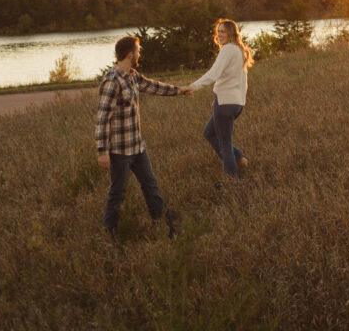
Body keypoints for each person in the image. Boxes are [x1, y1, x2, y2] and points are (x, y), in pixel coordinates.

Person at [95, 35, 192, 241]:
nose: (140, 54)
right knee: (117, 194)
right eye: (138, 51)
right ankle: (109, 235)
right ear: (130, 55)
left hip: (138, 147)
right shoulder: (112, 81)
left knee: (151, 188)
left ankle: (168, 233)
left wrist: (179, 91)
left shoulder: (132, 75)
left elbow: (153, 86)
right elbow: (102, 118)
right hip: (119, 152)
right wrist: (102, 152)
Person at [183, 18, 253, 179]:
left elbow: (214, 74)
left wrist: (193, 86)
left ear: (231, 33)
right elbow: (240, 81)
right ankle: (239, 159)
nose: (219, 34)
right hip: (234, 103)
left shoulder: (228, 49)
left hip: (227, 104)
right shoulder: (240, 50)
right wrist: (223, 98)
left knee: (225, 144)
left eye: (223, 31)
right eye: (218, 31)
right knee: (209, 133)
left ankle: (235, 181)